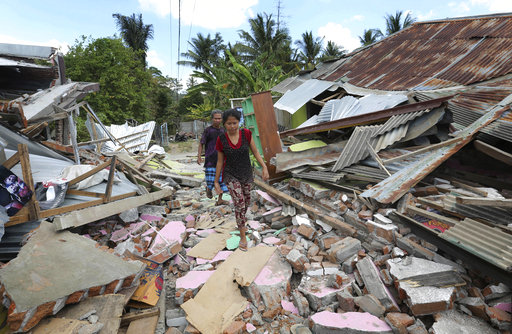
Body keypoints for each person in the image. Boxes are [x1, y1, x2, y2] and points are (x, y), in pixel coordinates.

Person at [214, 108, 269, 251]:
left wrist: (264, 167)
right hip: (230, 175)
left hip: (246, 173)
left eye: (235, 123)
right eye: (229, 124)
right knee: (239, 203)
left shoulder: (246, 134)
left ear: (239, 122)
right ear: (224, 125)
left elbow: (255, 152)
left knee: (246, 202)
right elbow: (219, 162)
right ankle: (242, 235)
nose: (232, 126)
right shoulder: (221, 139)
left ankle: (241, 222)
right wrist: (216, 181)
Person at [198, 110, 229, 205]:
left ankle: (220, 199)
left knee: (221, 181)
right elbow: (201, 143)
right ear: (212, 119)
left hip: (222, 160)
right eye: (215, 118)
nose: (217, 120)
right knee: (210, 180)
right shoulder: (208, 130)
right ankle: (209, 188)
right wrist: (199, 156)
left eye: (219, 118)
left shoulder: (223, 130)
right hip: (210, 160)